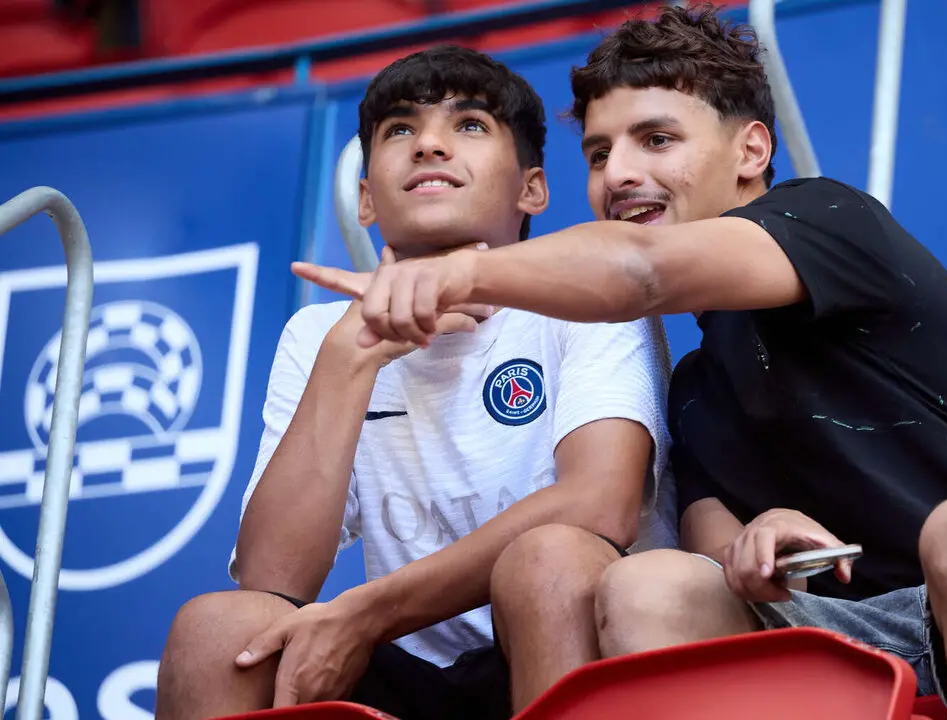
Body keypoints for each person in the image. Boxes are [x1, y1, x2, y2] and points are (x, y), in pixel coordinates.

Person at [294, 4, 947, 709]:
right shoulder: (693, 381)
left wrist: (460, 271)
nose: (619, 173)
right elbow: (713, 543)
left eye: (655, 140)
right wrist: (756, 538)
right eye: (598, 153)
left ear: (751, 153)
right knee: (648, 587)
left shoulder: (830, 220)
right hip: (871, 630)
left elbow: (638, 272)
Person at [156, 45, 674, 720]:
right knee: (218, 629)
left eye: (469, 125)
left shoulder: (588, 293)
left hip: (577, 647)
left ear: (532, 190)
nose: (428, 144)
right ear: (367, 200)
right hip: (414, 675)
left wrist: (368, 613)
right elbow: (273, 579)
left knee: (551, 561)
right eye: (400, 129)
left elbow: (600, 505)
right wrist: (351, 359)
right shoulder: (319, 338)